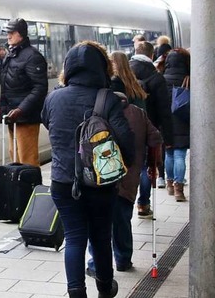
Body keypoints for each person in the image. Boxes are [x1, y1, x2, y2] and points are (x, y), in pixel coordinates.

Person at [41, 41, 134, 298]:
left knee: (74, 238)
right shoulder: (107, 98)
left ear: (68, 68)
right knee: (101, 237)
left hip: (62, 181)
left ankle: (76, 292)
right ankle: (105, 288)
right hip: (100, 183)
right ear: (103, 67)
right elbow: (126, 141)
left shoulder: (53, 97)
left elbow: (49, 123)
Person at [86, 91, 163, 276]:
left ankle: (94, 263)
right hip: (128, 180)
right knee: (122, 221)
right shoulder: (138, 113)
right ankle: (123, 259)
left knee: (98, 223)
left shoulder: (96, 114)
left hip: (101, 179)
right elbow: (155, 139)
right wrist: (155, 165)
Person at [0, 18, 48, 166]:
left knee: (27, 160)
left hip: (27, 117)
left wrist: (21, 109)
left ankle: (32, 188)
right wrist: (0, 107)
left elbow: (40, 87)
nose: (8, 36)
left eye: (12, 32)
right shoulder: (11, 54)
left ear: (21, 34)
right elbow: (5, 86)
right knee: (15, 157)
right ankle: (18, 189)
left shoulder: (32, 56)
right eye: (7, 32)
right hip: (13, 115)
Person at [130, 41, 173, 214]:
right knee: (147, 166)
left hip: (125, 126)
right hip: (150, 128)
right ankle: (143, 204)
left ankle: (126, 200)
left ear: (135, 52)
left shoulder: (125, 72)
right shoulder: (156, 77)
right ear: (152, 55)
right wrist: (168, 138)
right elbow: (164, 110)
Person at [162, 48, 190, 201]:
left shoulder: (162, 78)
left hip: (166, 122)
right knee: (180, 155)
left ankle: (170, 184)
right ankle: (179, 189)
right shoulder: (189, 79)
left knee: (169, 154)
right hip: (183, 120)